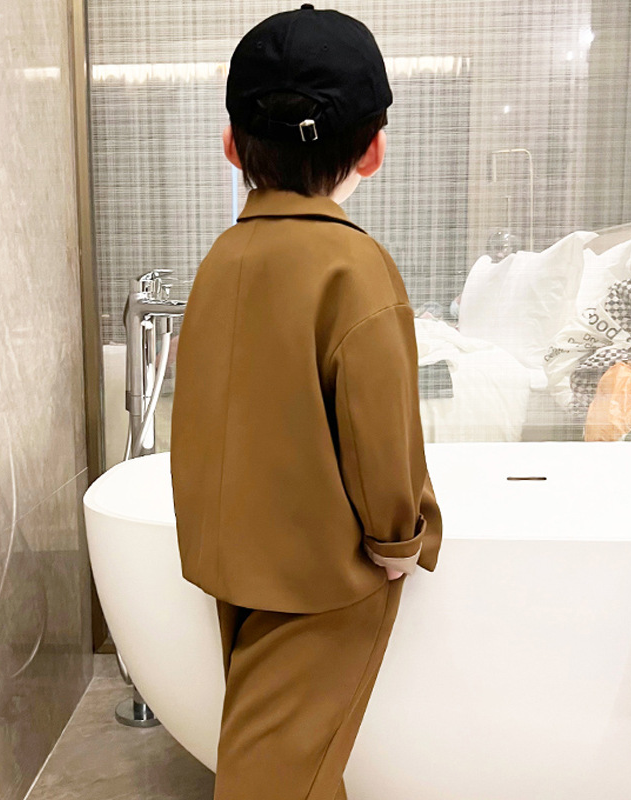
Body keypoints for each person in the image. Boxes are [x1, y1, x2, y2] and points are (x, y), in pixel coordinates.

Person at [170, 6, 442, 799]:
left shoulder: (222, 257)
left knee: (284, 756)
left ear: (232, 145)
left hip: (237, 563)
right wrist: (397, 540)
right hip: (326, 578)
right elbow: (378, 427)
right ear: (374, 150)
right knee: (274, 776)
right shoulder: (353, 267)